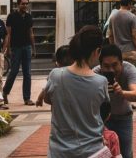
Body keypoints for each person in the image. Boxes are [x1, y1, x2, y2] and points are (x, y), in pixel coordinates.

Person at [43, 25, 111, 158]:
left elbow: (47, 99)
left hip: (59, 152)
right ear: (97, 51)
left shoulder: (55, 75)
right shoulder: (100, 82)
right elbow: (104, 111)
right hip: (92, 151)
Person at [95, 43, 136, 158]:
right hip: (102, 121)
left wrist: (122, 93)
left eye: (115, 65)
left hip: (124, 118)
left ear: (121, 62)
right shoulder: (95, 74)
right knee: (102, 154)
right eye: (106, 66)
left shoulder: (129, 69)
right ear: (100, 65)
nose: (111, 70)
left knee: (126, 153)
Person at [2, 0, 36, 106]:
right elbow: (8, 34)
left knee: (28, 73)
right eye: (23, 4)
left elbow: (31, 33)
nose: (25, 5)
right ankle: (5, 92)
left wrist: (33, 48)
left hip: (27, 47)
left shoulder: (29, 17)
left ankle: (27, 98)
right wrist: (8, 49)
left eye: (27, 3)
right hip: (16, 48)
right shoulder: (12, 16)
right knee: (14, 71)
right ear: (18, 4)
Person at [105, 0, 136, 66]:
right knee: (131, 74)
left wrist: (113, 49)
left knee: (119, 74)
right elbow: (134, 36)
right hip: (130, 52)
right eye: (131, 4)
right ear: (129, 4)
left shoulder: (112, 17)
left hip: (118, 52)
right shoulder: (132, 16)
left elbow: (110, 35)